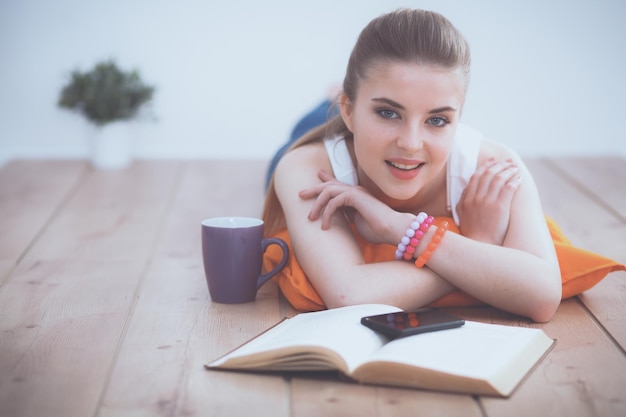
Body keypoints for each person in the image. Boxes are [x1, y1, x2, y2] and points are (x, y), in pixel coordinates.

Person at [262, 8, 625, 322]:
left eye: (437, 120)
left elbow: (541, 295)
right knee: (302, 130)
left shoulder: (494, 168)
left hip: (361, 133)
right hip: (325, 138)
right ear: (349, 111)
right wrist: (476, 243)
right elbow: (348, 295)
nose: (411, 142)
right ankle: (327, 100)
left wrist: (399, 227)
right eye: (388, 112)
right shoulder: (307, 167)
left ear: (460, 120)